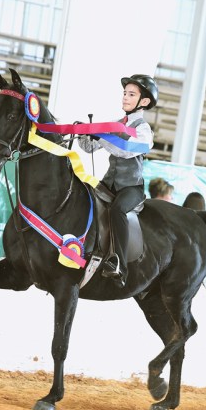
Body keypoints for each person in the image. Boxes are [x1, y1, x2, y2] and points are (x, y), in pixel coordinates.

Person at [78, 74, 158, 287]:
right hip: (108, 183)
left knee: (117, 210)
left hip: (131, 187)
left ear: (144, 101)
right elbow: (88, 147)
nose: (125, 97)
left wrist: (102, 136)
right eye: (125, 93)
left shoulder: (143, 130)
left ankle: (119, 263)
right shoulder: (114, 124)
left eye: (131, 94)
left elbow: (126, 150)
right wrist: (84, 132)